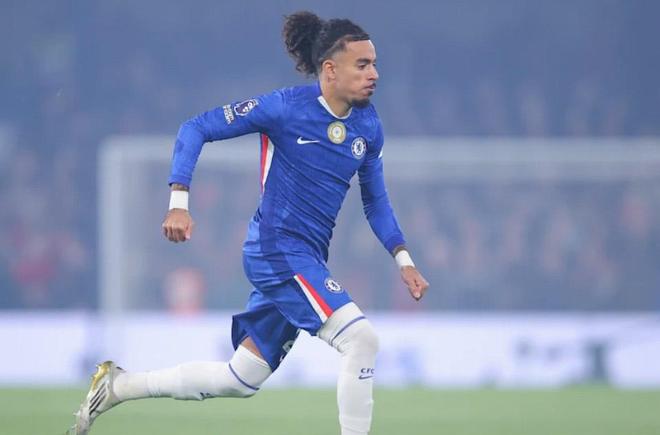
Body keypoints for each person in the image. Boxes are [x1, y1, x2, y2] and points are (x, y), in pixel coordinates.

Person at [68, 11, 429, 435]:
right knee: (361, 340)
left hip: (306, 256)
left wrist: (403, 259)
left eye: (374, 64)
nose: (374, 74)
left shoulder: (368, 125)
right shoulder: (284, 108)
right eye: (363, 64)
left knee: (241, 378)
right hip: (276, 249)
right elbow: (195, 128)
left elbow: (376, 200)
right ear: (330, 69)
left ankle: (117, 386)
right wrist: (179, 201)